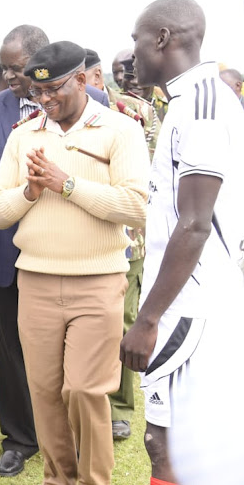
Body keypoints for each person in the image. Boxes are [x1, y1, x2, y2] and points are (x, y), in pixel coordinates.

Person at [0, 25, 109, 478]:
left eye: (17, 68)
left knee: (73, 355)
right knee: (15, 353)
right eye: (7, 66)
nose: (8, 75)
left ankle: (75, 434)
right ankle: (19, 438)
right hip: (8, 252)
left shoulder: (96, 109)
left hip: (74, 254)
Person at [0, 40, 149, 484]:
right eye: (38, 93)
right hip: (34, 281)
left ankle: (93, 480)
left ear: (81, 78)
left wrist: (67, 184)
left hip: (97, 281)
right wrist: (30, 192)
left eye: (54, 88)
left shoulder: (120, 130)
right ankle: (59, 477)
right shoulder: (25, 135)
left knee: (84, 390)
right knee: (46, 392)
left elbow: (136, 206)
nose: (45, 99)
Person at [121, 0, 244, 485]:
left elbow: (195, 223)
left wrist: (147, 319)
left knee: (173, 446)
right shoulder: (185, 101)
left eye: (136, 40)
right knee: (170, 444)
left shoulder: (205, 104)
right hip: (185, 299)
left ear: (162, 38)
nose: (131, 55)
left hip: (190, 307)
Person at [86, 47, 161, 440]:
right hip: (79, 236)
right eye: (122, 71)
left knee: (122, 320)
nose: (130, 76)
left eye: (134, 68)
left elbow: (151, 172)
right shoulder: (70, 115)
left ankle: (117, 408)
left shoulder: (139, 113)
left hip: (127, 237)